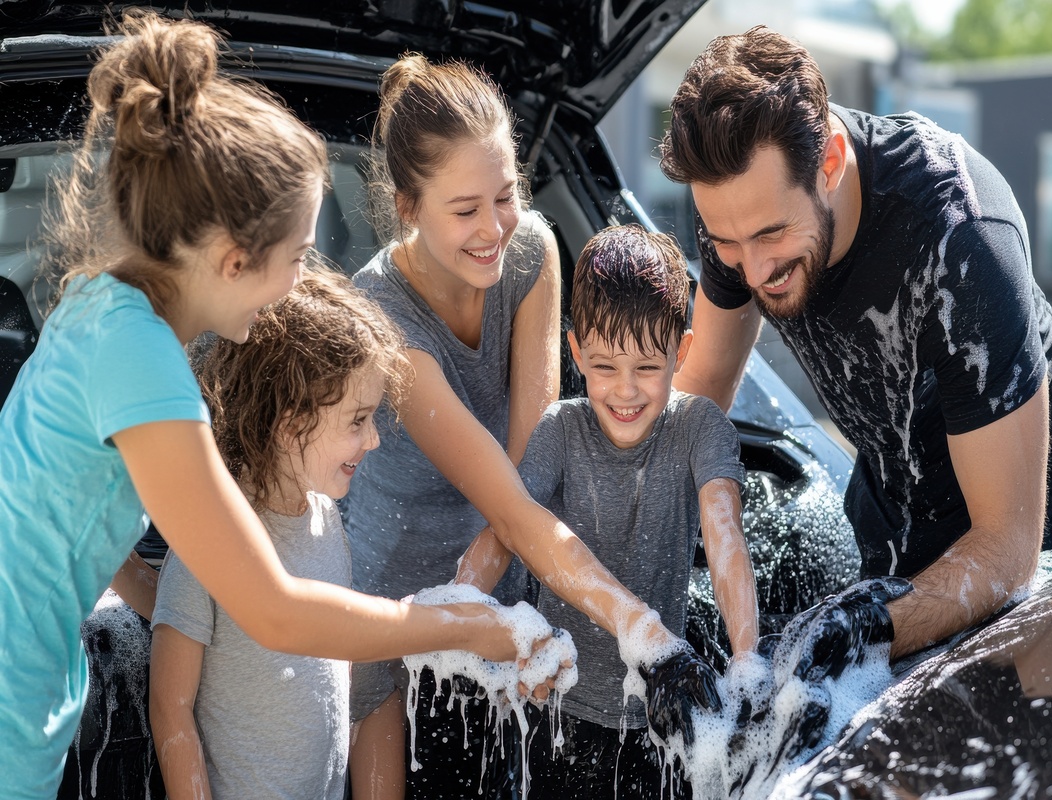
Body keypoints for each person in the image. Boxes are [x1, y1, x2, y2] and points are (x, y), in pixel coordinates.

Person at [0, 14, 551, 798]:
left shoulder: (103, 308)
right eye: (295, 257)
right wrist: (469, 625)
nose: (301, 283)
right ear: (232, 260)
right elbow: (276, 613)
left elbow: (78, 528)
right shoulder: (141, 358)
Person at [658, 27, 1052, 683]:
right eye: (727, 242)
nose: (751, 269)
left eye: (772, 234)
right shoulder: (739, 201)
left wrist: (866, 631)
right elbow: (704, 387)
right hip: (891, 471)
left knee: (983, 706)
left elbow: (1007, 551)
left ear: (830, 160)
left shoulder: (961, 238)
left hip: (1018, 489)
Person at [344, 54, 709, 798]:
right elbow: (512, 501)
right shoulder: (381, 315)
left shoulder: (531, 252)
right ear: (409, 206)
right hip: (395, 605)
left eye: (505, 196)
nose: (492, 229)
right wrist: (648, 636)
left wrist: (498, 594)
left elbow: (528, 462)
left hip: (511, 576)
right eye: (465, 209)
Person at [456, 224, 761, 798]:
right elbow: (507, 530)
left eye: (648, 367)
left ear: (683, 350)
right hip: (555, 711)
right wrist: (457, 611)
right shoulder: (559, 431)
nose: (625, 391)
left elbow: (726, 541)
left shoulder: (699, 427)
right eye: (603, 366)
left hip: (655, 718)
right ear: (574, 351)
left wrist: (746, 663)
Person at [149, 268, 409, 799]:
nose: (375, 439)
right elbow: (169, 707)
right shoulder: (215, 535)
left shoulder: (327, 518)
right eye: (357, 420)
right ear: (292, 425)